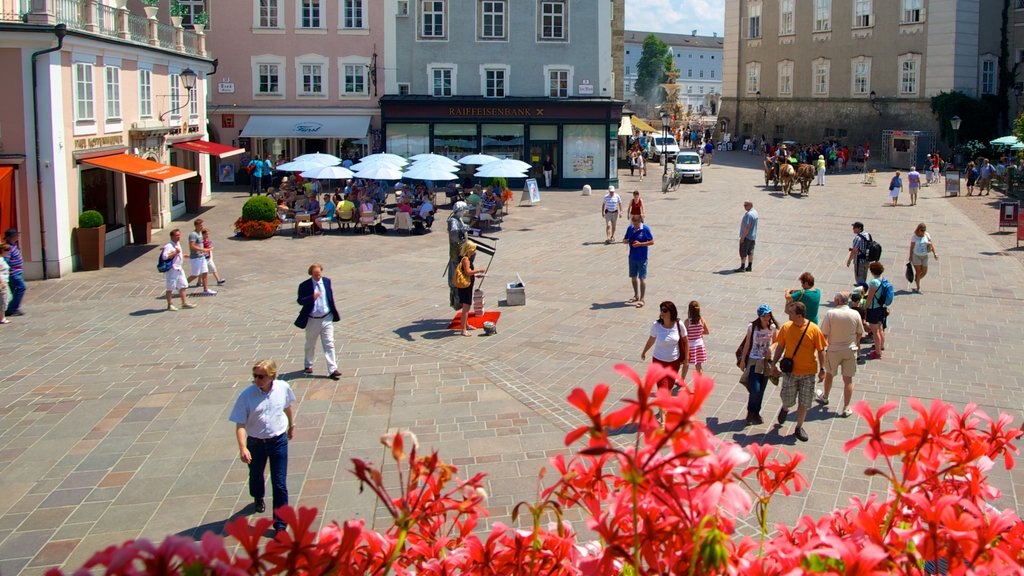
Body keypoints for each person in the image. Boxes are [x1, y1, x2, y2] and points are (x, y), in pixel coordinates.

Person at [229, 359, 295, 533]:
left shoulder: (283, 388)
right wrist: (243, 447)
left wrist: (291, 425)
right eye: (255, 376)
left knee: (279, 483)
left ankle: (280, 525)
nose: (257, 380)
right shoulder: (246, 396)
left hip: (278, 441)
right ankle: (258, 496)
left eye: (261, 376)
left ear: (272, 376)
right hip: (256, 443)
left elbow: (287, 407)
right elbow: (240, 424)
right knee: (256, 475)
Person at [771, 301, 827, 442]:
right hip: (790, 372)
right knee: (788, 399)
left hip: (808, 373)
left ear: (799, 315)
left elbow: (821, 350)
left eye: (791, 312)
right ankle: (785, 407)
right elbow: (780, 347)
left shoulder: (813, 330)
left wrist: (822, 369)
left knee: (805, 402)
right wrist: (773, 363)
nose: (788, 314)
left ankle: (799, 427)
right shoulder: (786, 327)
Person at [815, 292, 864, 417]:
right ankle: (846, 407)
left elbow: (823, 334)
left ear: (837, 301)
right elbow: (860, 333)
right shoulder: (855, 313)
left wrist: (826, 346)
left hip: (834, 349)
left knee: (830, 374)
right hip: (850, 350)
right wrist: (855, 344)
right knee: (848, 380)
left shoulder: (831, 314)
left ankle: (825, 396)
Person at [294, 263, 341, 380]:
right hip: (312, 319)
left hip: (326, 317)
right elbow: (300, 301)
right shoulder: (304, 285)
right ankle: (308, 364)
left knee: (329, 343)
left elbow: (329, 297)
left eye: (320, 274)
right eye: (316, 274)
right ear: (311, 274)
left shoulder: (326, 281)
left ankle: (332, 369)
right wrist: (311, 298)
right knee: (310, 343)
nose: (318, 276)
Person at [739, 304, 779, 425]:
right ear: (759, 316)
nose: (767, 318)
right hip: (753, 360)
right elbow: (747, 344)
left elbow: (776, 342)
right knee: (755, 389)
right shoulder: (752, 327)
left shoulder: (772, 328)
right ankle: (750, 412)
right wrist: (742, 360)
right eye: (764, 316)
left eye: (768, 316)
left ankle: (756, 413)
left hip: (765, 361)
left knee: (761, 389)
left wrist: (771, 349)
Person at [640, 300, 689, 390]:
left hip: (674, 362)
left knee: (668, 387)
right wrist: (644, 352)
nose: (662, 313)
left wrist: (686, 358)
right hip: (658, 361)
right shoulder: (656, 325)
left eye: (665, 311)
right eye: (661, 310)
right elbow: (651, 340)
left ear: (672, 312)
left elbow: (686, 341)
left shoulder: (679, 324)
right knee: (663, 388)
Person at [454, 241, 487, 337]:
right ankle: (463, 329)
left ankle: (466, 325)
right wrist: (479, 270)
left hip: (467, 284)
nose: (474, 252)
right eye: (473, 250)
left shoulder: (464, 258)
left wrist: (476, 275)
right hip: (465, 286)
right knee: (466, 307)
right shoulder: (466, 259)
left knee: (466, 306)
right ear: (469, 250)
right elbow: (468, 272)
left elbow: (466, 273)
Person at [623, 214, 654, 308]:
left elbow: (652, 242)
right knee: (633, 277)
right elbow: (625, 238)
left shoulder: (645, 229)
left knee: (642, 278)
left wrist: (641, 244)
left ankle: (642, 299)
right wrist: (626, 240)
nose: (635, 226)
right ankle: (636, 295)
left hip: (642, 258)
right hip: (632, 257)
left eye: (636, 224)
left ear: (640, 222)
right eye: (633, 224)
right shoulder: (630, 228)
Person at [161, 229, 196, 311]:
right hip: (172, 269)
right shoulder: (168, 246)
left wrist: (183, 255)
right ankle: (170, 305)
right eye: (176, 235)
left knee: (183, 285)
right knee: (170, 287)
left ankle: (184, 303)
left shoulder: (178, 244)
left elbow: (177, 254)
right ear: (172, 236)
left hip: (179, 268)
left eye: (179, 235)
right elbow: (164, 256)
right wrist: (175, 252)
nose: (178, 237)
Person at [447, 201, 469, 309]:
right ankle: (457, 301)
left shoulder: (459, 219)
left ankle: (460, 300)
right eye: (463, 210)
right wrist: (462, 230)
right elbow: (454, 234)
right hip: (456, 253)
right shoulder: (453, 221)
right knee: (456, 278)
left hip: (462, 252)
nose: (464, 212)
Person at [864, 261, 888, 360]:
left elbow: (870, 297)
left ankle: (877, 352)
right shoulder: (883, 280)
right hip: (881, 307)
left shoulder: (874, 282)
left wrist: (865, 307)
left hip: (874, 308)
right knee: (880, 328)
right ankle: (881, 346)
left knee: (875, 331)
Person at [185, 219, 215, 295]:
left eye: (202, 225)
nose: (202, 227)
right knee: (195, 274)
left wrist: (207, 248)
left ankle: (205, 290)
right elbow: (192, 246)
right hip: (195, 257)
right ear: (196, 225)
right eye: (200, 225)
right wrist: (203, 249)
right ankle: (182, 285)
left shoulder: (200, 234)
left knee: (205, 272)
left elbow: (202, 243)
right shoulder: (193, 234)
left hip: (202, 257)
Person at [683, 300, 710, 381]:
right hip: (699, 346)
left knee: (686, 364)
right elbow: (707, 332)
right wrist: (699, 333)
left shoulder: (687, 322)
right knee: (698, 366)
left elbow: (684, 335)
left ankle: (681, 380)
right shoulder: (701, 319)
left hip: (690, 347)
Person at [908, 222, 938, 292]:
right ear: (918, 229)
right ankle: (918, 287)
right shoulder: (914, 237)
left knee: (924, 272)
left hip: (925, 256)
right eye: (922, 230)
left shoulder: (927, 235)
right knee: (918, 271)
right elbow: (911, 247)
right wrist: (910, 256)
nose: (923, 232)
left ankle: (917, 279)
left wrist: (935, 253)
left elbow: (931, 244)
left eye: (924, 230)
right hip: (916, 256)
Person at [3, 229, 25, 316]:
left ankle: (12, 308)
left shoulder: (13, 245)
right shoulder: (8, 248)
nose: (17, 237)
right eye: (16, 236)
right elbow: (6, 261)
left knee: (14, 291)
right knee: (21, 287)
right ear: (11, 237)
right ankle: (12, 309)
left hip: (17, 272)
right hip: (13, 273)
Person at [737, 201, 758, 273]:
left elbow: (747, 227)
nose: (744, 207)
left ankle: (742, 266)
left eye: (746, 205)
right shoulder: (755, 212)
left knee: (743, 251)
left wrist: (742, 237)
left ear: (750, 205)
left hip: (747, 236)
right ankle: (749, 266)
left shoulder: (749, 214)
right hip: (753, 236)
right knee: (750, 252)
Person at [0, 243, 10, 324]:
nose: (8, 252)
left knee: (5, 298)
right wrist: (2, 282)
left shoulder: (2, 259)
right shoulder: (0, 260)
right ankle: (2, 318)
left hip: (4, 281)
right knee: (3, 299)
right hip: (2, 283)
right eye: (6, 251)